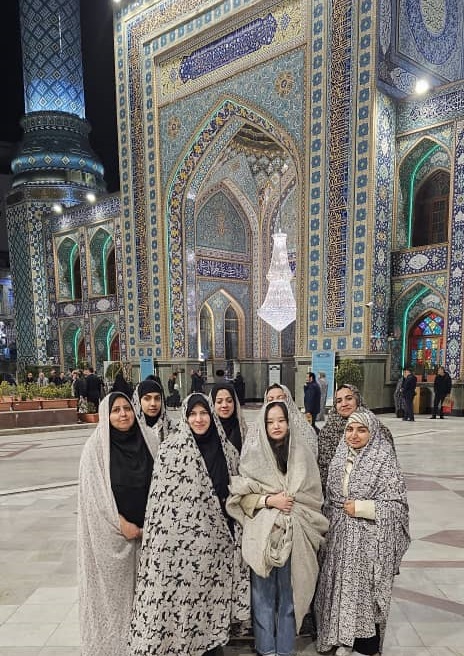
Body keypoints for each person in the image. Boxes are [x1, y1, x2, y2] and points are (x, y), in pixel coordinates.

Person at [129, 393, 249, 656]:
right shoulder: (170, 451)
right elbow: (160, 506)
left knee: (211, 602)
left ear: (212, 416)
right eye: (192, 414)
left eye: (204, 413)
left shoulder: (228, 451)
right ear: (185, 417)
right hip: (181, 550)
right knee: (185, 603)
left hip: (218, 546)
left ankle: (211, 646)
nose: (199, 419)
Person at [227, 401, 328, 656]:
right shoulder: (253, 456)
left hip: (297, 534)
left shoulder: (302, 455)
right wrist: (270, 501)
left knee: (290, 593)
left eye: (281, 420)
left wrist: (293, 507)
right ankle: (266, 649)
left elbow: (314, 496)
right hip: (263, 536)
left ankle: (284, 649)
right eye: (270, 421)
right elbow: (241, 497)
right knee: (262, 595)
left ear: (289, 422)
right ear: (263, 425)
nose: (276, 426)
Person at [315, 411, 410, 656]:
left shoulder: (384, 460)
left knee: (364, 593)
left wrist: (362, 508)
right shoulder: (339, 457)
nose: (354, 435)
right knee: (336, 589)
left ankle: (363, 644)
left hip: (369, 541)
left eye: (361, 430)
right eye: (349, 429)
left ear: (372, 432)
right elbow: (330, 500)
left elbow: (398, 507)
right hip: (338, 537)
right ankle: (339, 637)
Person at [77, 392, 157, 656]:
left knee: (149, 600)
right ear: (105, 415)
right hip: (115, 538)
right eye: (116, 410)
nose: (123, 414)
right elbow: (93, 498)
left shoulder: (150, 440)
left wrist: (153, 525)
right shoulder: (95, 450)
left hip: (150, 538)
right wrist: (120, 524)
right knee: (114, 603)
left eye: (127, 408)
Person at [317, 384, 395, 494]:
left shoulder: (376, 428)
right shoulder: (327, 431)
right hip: (333, 496)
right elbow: (322, 469)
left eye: (349, 398)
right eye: (339, 401)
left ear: (358, 400)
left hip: (370, 495)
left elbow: (389, 469)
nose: (344, 404)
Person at [264, 383, 318, 457]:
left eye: (280, 398)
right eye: (271, 399)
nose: (276, 402)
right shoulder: (261, 425)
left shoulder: (301, 425)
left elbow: (311, 451)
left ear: (287, 399)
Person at [132, 378, 175, 449]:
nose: (153, 404)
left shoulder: (172, 428)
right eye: (147, 399)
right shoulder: (131, 430)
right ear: (138, 401)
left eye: (157, 398)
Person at [210, 382, 247, 453]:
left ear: (235, 403)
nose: (224, 405)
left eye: (229, 401)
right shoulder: (207, 430)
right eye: (219, 402)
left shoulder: (242, 429)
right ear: (212, 404)